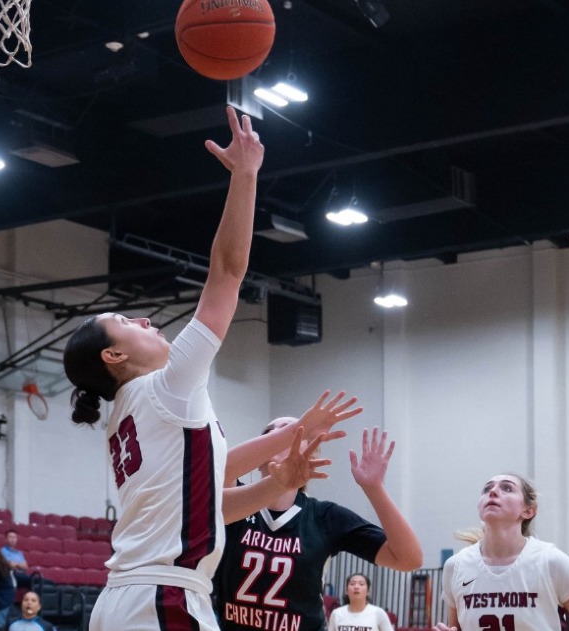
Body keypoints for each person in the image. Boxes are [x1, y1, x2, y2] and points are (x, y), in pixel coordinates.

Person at [62, 106, 360, 631]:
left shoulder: (135, 414)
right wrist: (246, 176)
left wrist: (282, 466)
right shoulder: (167, 385)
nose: (143, 317)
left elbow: (208, 493)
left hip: (130, 600)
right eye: (123, 320)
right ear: (114, 356)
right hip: (162, 599)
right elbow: (227, 271)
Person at [215, 427, 422, 631]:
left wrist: (375, 489)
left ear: (311, 457)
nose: (282, 433)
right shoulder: (232, 503)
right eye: (271, 431)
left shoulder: (324, 517)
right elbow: (220, 467)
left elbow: (408, 559)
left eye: (295, 431)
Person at [433, 474, 569, 631]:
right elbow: (456, 627)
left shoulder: (551, 561)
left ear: (528, 511)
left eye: (507, 488)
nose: (493, 492)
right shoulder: (455, 566)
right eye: (487, 489)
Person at [327, 574, 393, 631]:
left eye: (361, 584)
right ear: (346, 590)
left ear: (368, 591)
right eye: (352, 584)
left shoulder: (378, 613)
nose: (356, 587)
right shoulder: (336, 613)